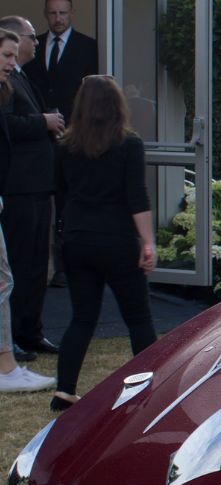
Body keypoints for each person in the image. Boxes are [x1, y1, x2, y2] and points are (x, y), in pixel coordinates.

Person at [52, 74, 156, 411]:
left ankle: (63, 391)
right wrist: (148, 242)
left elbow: (62, 194)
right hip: (117, 240)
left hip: (78, 240)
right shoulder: (129, 144)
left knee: (82, 318)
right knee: (138, 319)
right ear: (117, 106)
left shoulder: (66, 146)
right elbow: (136, 197)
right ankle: (151, 387)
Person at [0, 16, 63, 361]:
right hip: (18, 188)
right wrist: (43, 122)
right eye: (30, 38)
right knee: (20, 265)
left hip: (39, 185)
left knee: (38, 263)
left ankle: (31, 331)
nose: (37, 43)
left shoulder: (21, 78)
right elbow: (7, 124)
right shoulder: (5, 83)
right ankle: (16, 337)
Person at [24, 0, 98, 289]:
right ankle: (42, 267)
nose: (57, 19)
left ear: (71, 14)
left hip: (74, 138)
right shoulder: (33, 45)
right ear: (45, 15)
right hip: (39, 140)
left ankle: (67, 268)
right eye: (52, 13)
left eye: (62, 13)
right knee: (42, 203)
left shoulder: (88, 47)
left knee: (69, 204)